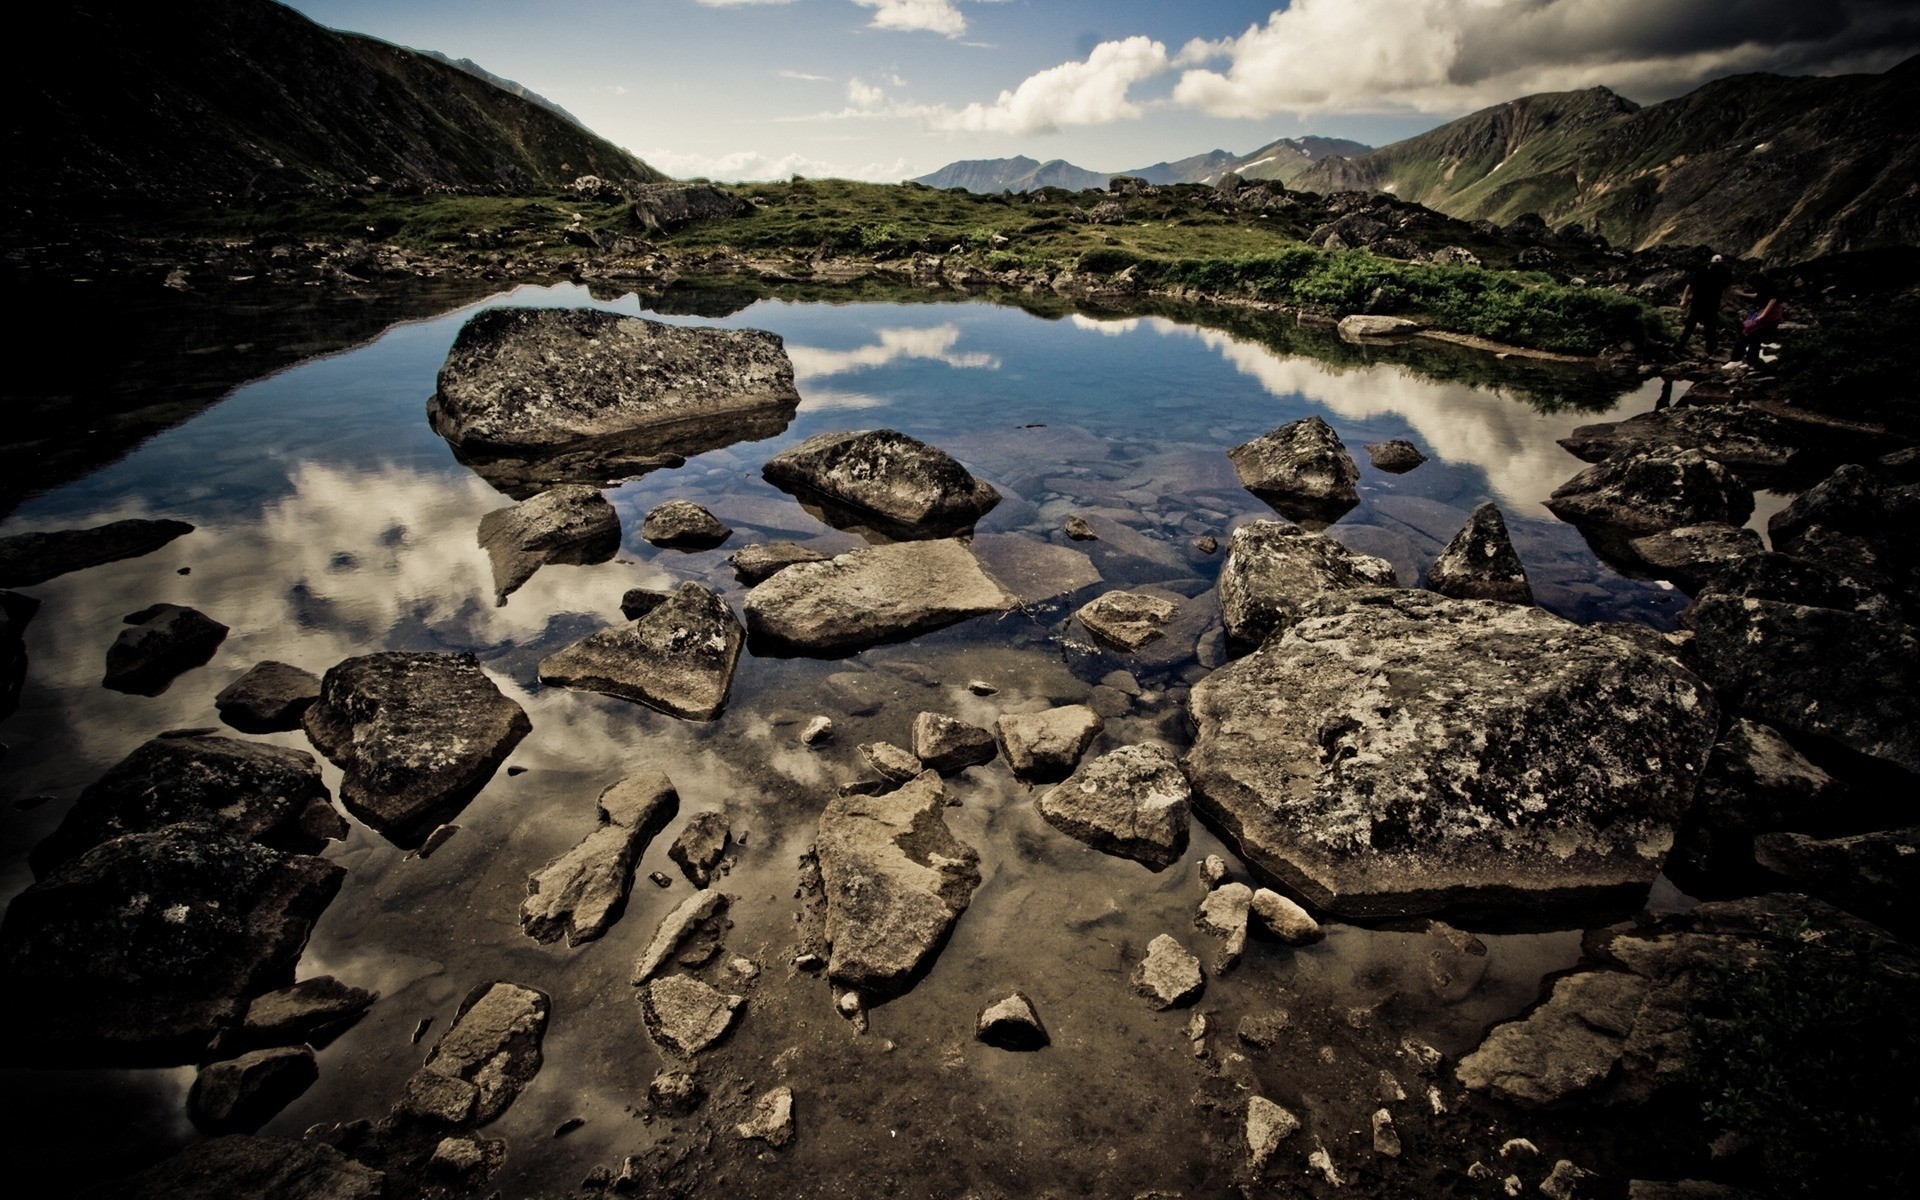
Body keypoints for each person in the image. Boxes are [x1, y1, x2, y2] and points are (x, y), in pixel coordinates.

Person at [1676, 253, 1733, 356]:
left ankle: (1711, 351)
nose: (1717, 267)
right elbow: (1689, 286)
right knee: (1690, 325)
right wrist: (1683, 299)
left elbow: (1729, 287)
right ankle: (1679, 347)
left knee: (1710, 328)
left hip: (1713, 304)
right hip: (1698, 302)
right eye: (1716, 265)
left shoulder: (1724, 273)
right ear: (1711, 263)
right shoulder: (1701, 271)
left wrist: (1724, 301)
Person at [1732, 273, 1784, 366]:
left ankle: (1736, 359)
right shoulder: (1765, 288)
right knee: (1755, 338)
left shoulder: (1770, 287)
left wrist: (1763, 315)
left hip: (1769, 314)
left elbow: (1773, 300)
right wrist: (1743, 294)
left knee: (1747, 334)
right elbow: (1759, 296)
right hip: (1767, 314)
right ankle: (1751, 362)